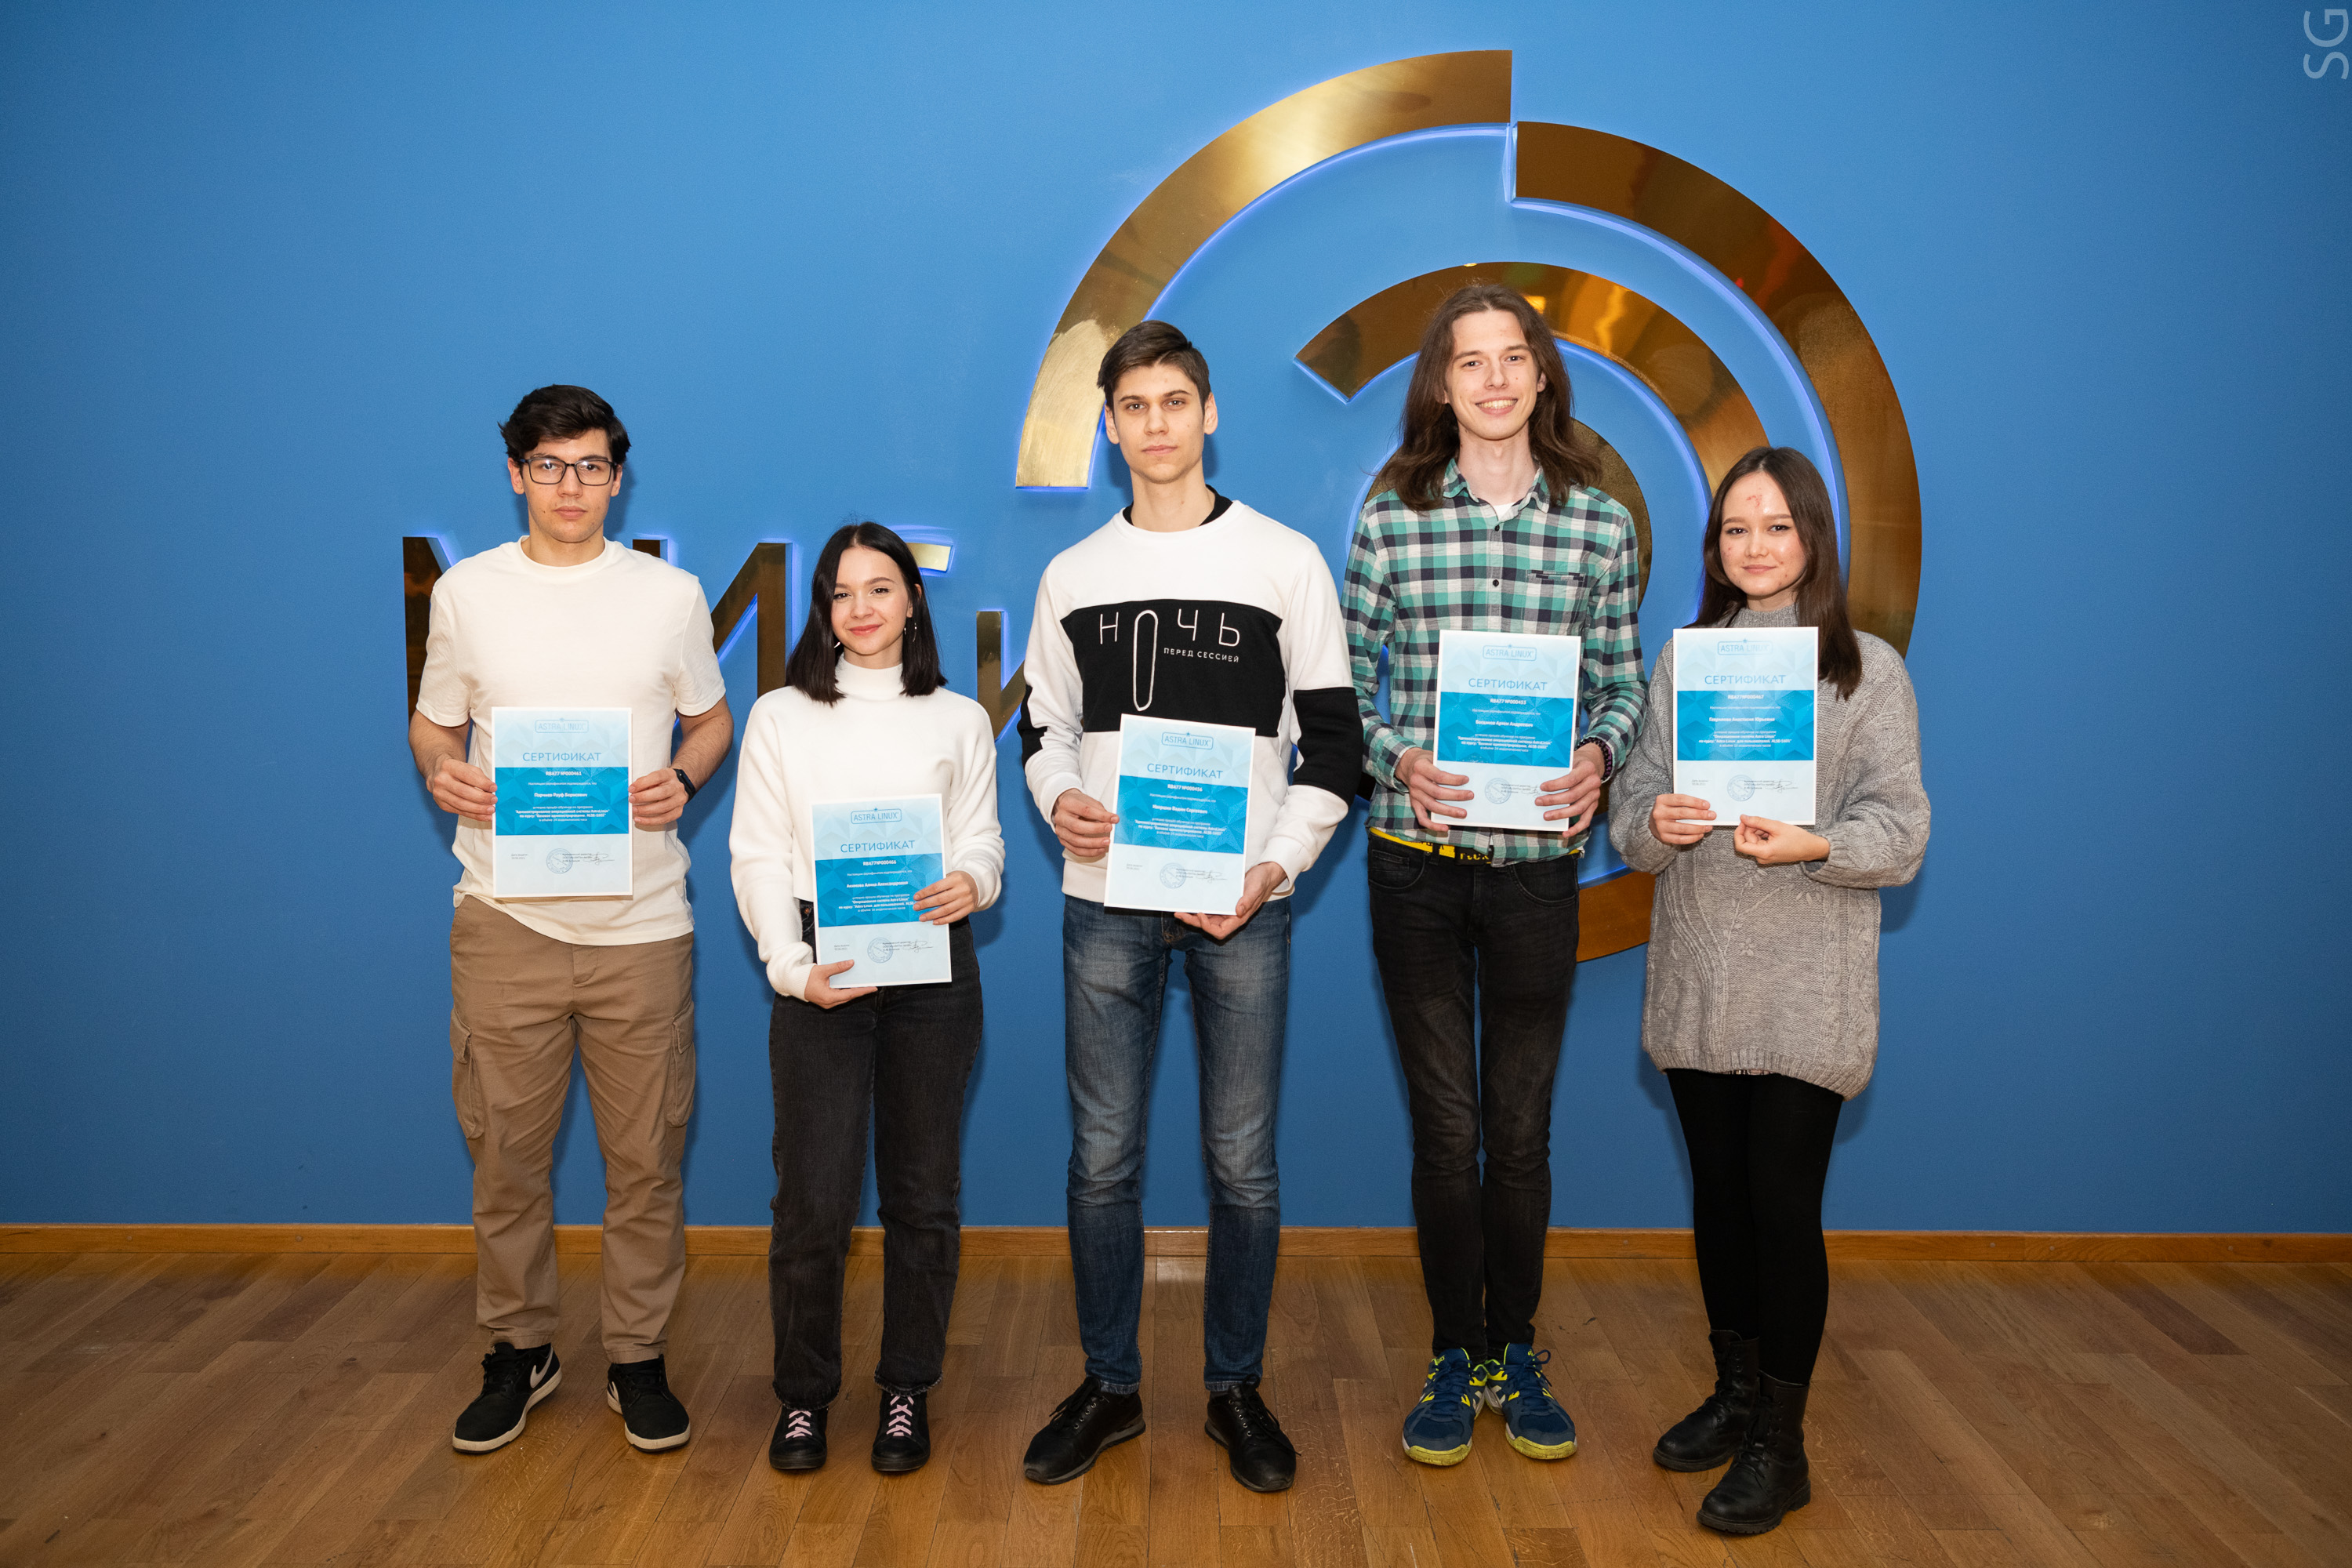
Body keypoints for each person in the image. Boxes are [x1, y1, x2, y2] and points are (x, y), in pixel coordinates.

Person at [1014, 321, 1359, 1494]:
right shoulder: (1074, 576)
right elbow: (1043, 731)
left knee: (1243, 1165)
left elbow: (1336, 748)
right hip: (1105, 900)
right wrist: (1059, 798)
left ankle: (1235, 1388)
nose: (1155, 422)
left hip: (1243, 902)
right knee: (1103, 1160)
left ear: (1209, 414)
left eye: (1175, 401)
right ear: (1109, 426)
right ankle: (1109, 1385)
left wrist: (1276, 866)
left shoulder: (1285, 562)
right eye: (1134, 405)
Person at [1341, 282, 1645, 1468]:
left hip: (1536, 872)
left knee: (1518, 1133)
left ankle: (1513, 1350)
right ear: (1443, 384)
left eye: (1514, 357)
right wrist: (1399, 758)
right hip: (1415, 867)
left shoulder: (1599, 525)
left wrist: (1598, 756)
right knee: (1445, 1129)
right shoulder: (1392, 519)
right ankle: (1450, 1353)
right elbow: (1343, 688)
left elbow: (1620, 684)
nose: (1496, 379)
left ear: (1543, 373)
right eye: (1470, 361)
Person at [1609, 445, 1929, 1536]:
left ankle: (1782, 1446)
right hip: (1700, 975)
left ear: (1814, 540)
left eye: (1777, 526)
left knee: (1783, 1205)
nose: (1755, 546)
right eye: (1736, 529)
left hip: (1807, 984)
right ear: (1715, 548)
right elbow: (1633, 813)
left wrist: (1814, 841)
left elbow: (1902, 831)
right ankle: (1737, 1396)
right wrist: (1654, 820)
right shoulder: (1686, 660)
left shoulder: (1867, 672)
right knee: (1722, 1199)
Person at [411, 384, 733, 1454]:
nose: (570, 485)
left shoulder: (670, 595)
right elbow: (431, 726)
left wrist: (685, 775)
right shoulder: (467, 592)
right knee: (506, 1158)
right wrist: (444, 770)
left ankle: (636, 1356)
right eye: (548, 465)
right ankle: (520, 1348)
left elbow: (711, 719)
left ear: (617, 478)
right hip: (504, 917)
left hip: (641, 925)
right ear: (516, 475)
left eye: (591, 466)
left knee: (646, 1163)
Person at [730, 521, 1004, 1476]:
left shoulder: (959, 718)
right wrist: (789, 965)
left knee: (923, 1196)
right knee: (813, 1199)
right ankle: (804, 1396)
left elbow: (982, 840)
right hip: (821, 970)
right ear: (823, 610)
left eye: (880, 588)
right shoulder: (780, 715)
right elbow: (759, 853)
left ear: (913, 600)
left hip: (934, 968)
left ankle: (905, 1389)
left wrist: (974, 880)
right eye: (841, 592)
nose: (861, 608)